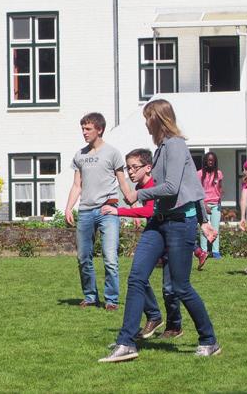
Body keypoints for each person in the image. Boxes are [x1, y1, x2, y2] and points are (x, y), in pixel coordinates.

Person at [100, 99, 220, 363]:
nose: (145, 122)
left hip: (179, 224)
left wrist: (138, 194)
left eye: (147, 117)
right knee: (136, 277)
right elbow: (192, 185)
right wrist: (204, 220)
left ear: (157, 119)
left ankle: (209, 340)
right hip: (159, 221)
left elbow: (172, 187)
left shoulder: (175, 145)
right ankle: (126, 342)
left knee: (181, 286)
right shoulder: (162, 148)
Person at [102, 149, 187, 340]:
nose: (130, 172)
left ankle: (175, 326)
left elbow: (150, 211)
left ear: (148, 168)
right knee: (138, 277)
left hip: (170, 237)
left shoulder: (154, 185)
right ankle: (154, 316)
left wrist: (119, 212)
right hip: (156, 237)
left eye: (134, 167)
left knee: (170, 288)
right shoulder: (142, 186)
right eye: (128, 168)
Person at [65, 112, 130, 310]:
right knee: (83, 257)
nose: (84, 132)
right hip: (85, 212)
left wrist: (134, 208)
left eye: (88, 129)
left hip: (107, 211)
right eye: (82, 129)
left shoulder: (112, 153)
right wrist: (69, 207)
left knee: (110, 258)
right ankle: (90, 296)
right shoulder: (80, 155)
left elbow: (123, 183)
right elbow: (77, 185)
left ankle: (111, 299)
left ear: (99, 129)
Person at [198, 152, 224, 259]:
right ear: (205, 161)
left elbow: (220, 188)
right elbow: (198, 191)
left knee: (215, 229)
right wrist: (204, 204)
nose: (210, 162)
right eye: (208, 160)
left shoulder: (219, 173)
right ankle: (204, 251)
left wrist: (220, 197)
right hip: (204, 204)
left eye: (212, 160)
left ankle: (215, 251)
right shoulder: (199, 174)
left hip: (216, 205)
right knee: (204, 228)